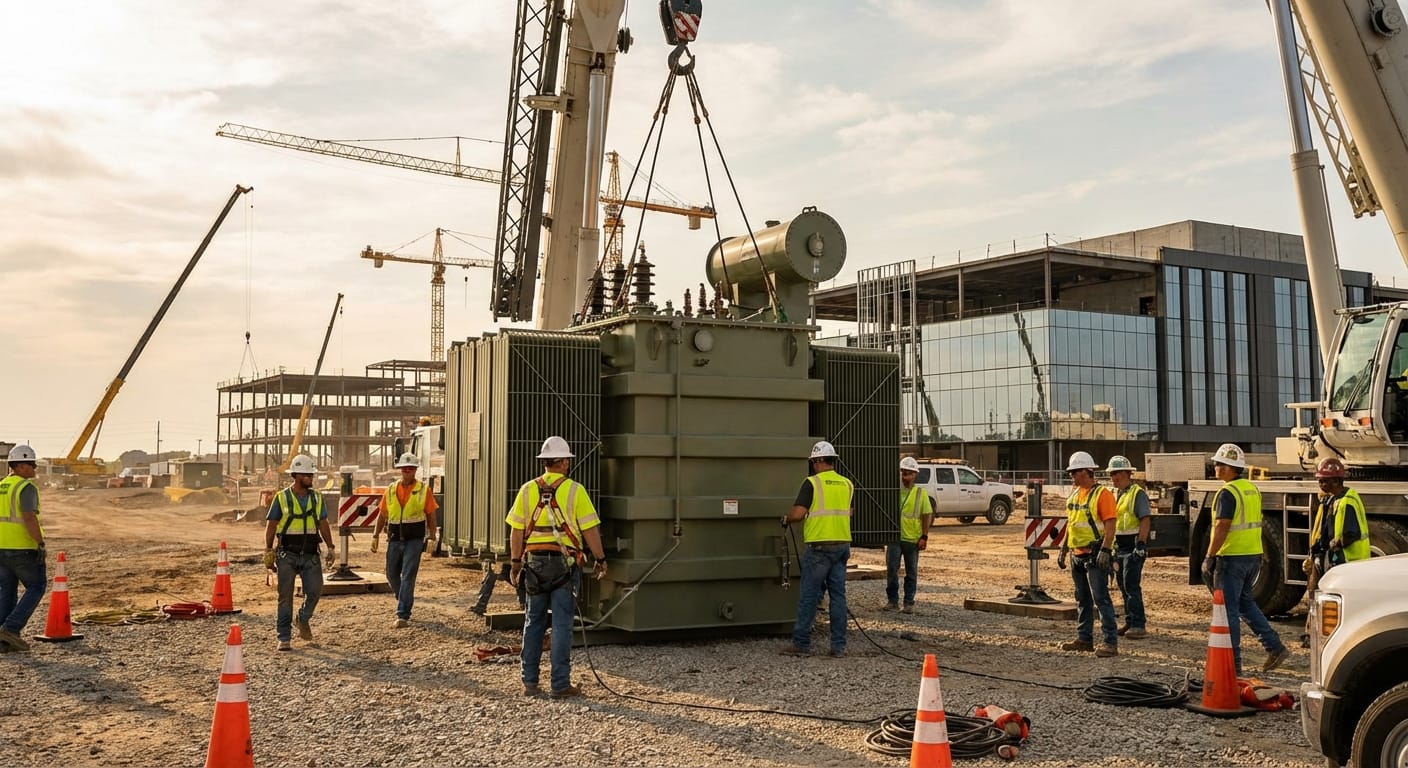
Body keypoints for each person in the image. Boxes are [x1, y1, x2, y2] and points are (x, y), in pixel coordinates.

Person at [506, 436, 607, 699]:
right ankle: (560, 684)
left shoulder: (527, 490)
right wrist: (600, 558)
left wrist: (515, 563)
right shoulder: (575, 490)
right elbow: (589, 529)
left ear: (545, 463)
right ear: (563, 462)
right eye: (567, 460)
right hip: (564, 565)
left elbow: (516, 531)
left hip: (534, 564)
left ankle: (529, 682)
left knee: (533, 621)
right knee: (562, 624)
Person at [1203, 443, 1289, 675]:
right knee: (1245, 603)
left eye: (1220, 464)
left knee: (1228, 610)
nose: (1216, 467)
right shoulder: (1251, 489)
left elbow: (1222, 525)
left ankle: (1233, 665)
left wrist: (1210, 556)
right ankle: (1274, 646)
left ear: (1231, 468)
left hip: (1231, 558)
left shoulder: (1227, 493)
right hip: (1252, 556)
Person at [781, 440, 854, 657]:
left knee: (809, 596)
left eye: (814, 462)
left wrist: (787, 519)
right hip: (841, 546)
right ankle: (838, 646)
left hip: (819, 548)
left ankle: (802, 643)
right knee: (838, 597)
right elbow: (849, 512)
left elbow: (798, 514)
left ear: (819, 461)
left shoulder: (812, 483)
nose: (813, 465)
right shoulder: (847, 484)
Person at [264, 454, 337, 651]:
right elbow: (271, 526)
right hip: (287, 554)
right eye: (307, 474)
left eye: (311, 475)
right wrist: (268, 550)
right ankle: (284, 637)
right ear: (296, 475)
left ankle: (302, 618)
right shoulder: (282, 498)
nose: (311, 478)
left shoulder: (317, 498)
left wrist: (330, 547)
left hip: (311, 553)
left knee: (314, 591)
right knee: (285, 596)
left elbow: (323, 524)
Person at [1056, 450, 1118, 657]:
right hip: (1077, 554)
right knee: (1082, 599)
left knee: (1101, 598)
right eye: (1071, 472)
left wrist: (1106, 550)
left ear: (1087, 471)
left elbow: (1111, 524)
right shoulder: (1074, 495)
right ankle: (1084, 639)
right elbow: (1072, 524)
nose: (1071, 476)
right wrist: (1064, 549)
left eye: (1075, 472)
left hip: (1094, 554)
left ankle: (1110, 642)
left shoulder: (1103, 494)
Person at [371, 452, 439, 628]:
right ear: (400, 470)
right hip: (394, 538)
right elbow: (382, 514)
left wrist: (432, 536)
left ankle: (403, 613)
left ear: (415, 470)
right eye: (404, 469)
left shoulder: (424, 490)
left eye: (410, 469)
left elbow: (431, 515)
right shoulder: (391, 490)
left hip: (414, 540)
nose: (407, 472)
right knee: (391, 574)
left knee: (408, 575)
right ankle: (403, 597)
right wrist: (375, 534)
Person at [0, 445, 46, 652]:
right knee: (36, 586)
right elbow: (29, 517)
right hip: (22, 547)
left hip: (1, 547)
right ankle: (10, 629)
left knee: (7, 590)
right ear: (18, 466)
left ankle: (3, 634)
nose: (34, 469)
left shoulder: (2, 485)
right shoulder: (25, 487)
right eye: (31, 464)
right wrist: (40, 543)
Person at [1305, 456, 1370, 593]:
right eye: (1319, 480)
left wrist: (1336, 543)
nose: (1320, 484)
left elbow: (1351, 533)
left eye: (1323, 481)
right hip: (1344, 562)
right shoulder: (1336, 499)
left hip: (1349, 561)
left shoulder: (1347, 502)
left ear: (1335, 481)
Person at [1108, 455, 1152, 639]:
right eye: (1112, 474)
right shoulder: (1116, 494)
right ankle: (1130, 621)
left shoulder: (1136, 493)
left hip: (1133, 545)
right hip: (1120, 546)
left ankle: (1138, 624)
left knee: (1131, 585)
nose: (1114, 477)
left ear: (1127, 473)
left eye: (1117, 473)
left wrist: (1141, 544)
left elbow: (1145, 519)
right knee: (1123, 585)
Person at [886, 456, 932, 614]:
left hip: (912, 539)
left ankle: (908, 603)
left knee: (911, 572)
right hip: (894, 538)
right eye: (903, 473)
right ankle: (892, 601)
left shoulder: (921, 493)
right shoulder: (893, 491)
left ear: (914, 475)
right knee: (892, 569)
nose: (905, 476)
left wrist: (924, 536)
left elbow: (926, 515)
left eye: (908, 473)